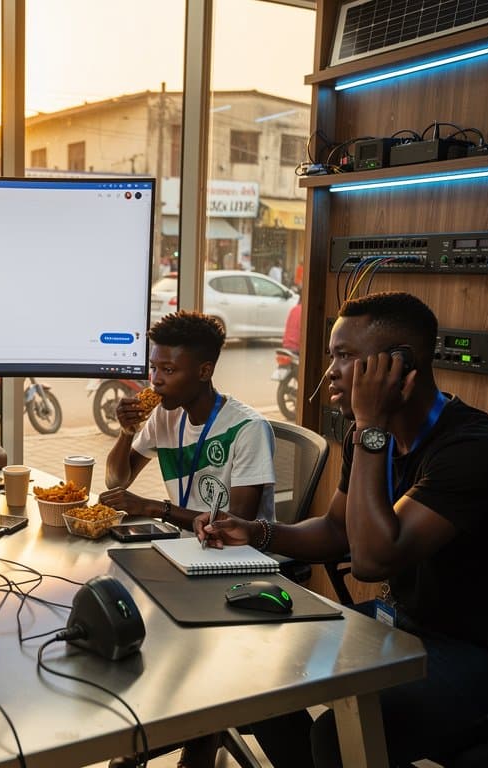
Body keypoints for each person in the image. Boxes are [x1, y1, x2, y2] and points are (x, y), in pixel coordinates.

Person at [197, 292, 488, 768]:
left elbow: (372, 558)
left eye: (345, 356)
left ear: (398, 365)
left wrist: (370, 425)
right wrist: (257, 533)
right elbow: (338, 529)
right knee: (256, 678)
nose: (330, 372)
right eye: (331, 356)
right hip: (401, 625)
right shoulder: (371, 436)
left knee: (337, 738)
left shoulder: (474, 447)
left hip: (479, 652)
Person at [100, 310, 275, 768]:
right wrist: (125, 433)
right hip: (184, 554)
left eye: (168, 370)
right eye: (153, 368)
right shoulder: (163, 417)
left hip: (237, 567)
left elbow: (236, 527)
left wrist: (157, 509)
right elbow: (117, 480)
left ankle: (200, 730)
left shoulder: (248, 428)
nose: (155, 381)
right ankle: (186, 722)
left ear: (204, 371)